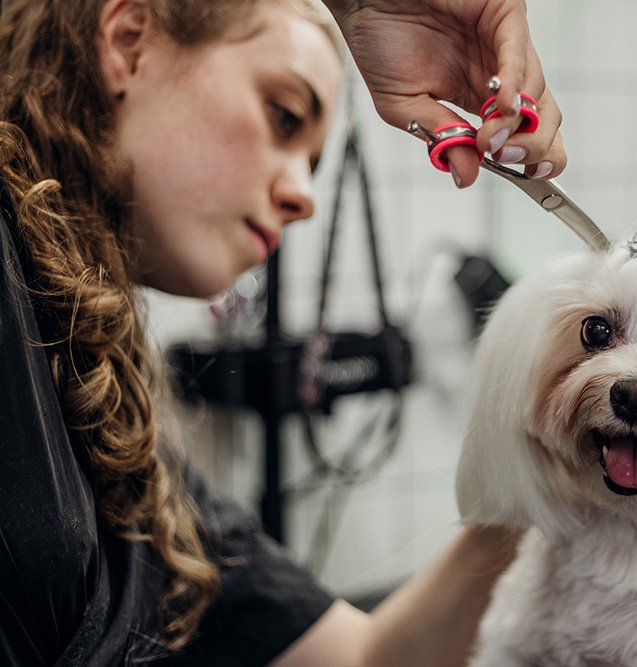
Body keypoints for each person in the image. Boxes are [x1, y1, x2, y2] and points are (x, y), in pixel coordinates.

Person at [0, 0, 565, 664]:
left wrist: (537, 478)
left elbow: (363, 657)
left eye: (314, 161)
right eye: (285, 116)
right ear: (128, 41)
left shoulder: (118, 431)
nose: (305, 199)